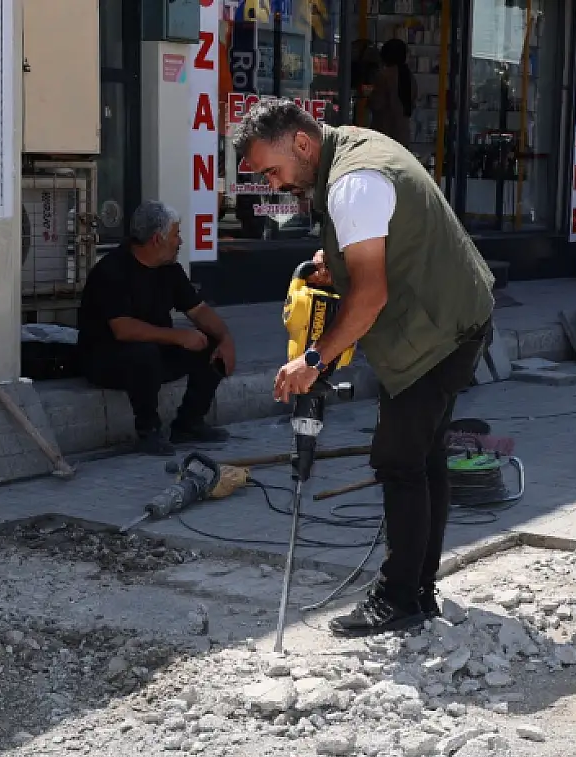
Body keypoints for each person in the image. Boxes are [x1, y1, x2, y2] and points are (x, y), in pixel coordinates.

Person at [231, 98, 494, 638]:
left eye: (274, 170)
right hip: (456, 312)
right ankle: (418, 591)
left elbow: (370, 296)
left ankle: (398, 598)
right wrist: (337, 263)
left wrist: (313, 359)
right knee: (424, 458)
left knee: (399, 461)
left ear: (302, 144)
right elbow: (382, 242)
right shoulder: (350, 146)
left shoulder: (353, 183)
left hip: (438, 331)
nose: (276, 185)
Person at [77, 200, 236, 455]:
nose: (180, 242)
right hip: (108, 359)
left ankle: (189, 423)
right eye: (176, 234)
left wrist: (225, 338)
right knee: (145, 352)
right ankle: (148, 431)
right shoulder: (111, 270)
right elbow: (123, 329)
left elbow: (199, 310)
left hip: (155, 355)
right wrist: (177, 336)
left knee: (209, 344)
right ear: (156, 239)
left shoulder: (169, 269)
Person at [368, 39, 415, 147]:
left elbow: (377, 104)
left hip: (385, 135)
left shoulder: (384, 76)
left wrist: (368, 98)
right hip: (403, 135)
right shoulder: (409, 76)